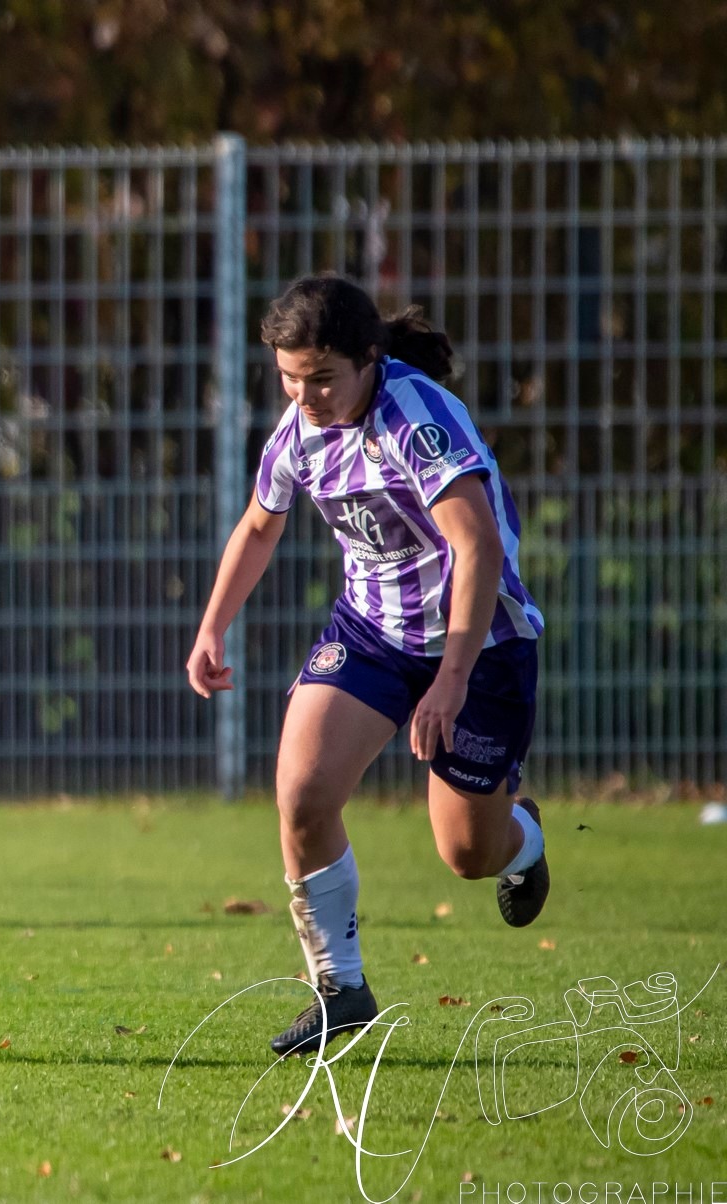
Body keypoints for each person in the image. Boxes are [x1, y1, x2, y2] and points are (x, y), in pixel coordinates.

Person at [185, 273, 547, 1057]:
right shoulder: (299, 430)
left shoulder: (414, 420)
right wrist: (212, 626)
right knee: (303, 796)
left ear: (368, 359)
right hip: (373, 634)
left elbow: (478, 548)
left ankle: (522, 839)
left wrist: (452, 679)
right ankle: (340, 987)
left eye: (321, 377)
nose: (305, 396)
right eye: (290, 378)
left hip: (481, 644)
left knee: (467, 855)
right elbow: (259, 526)